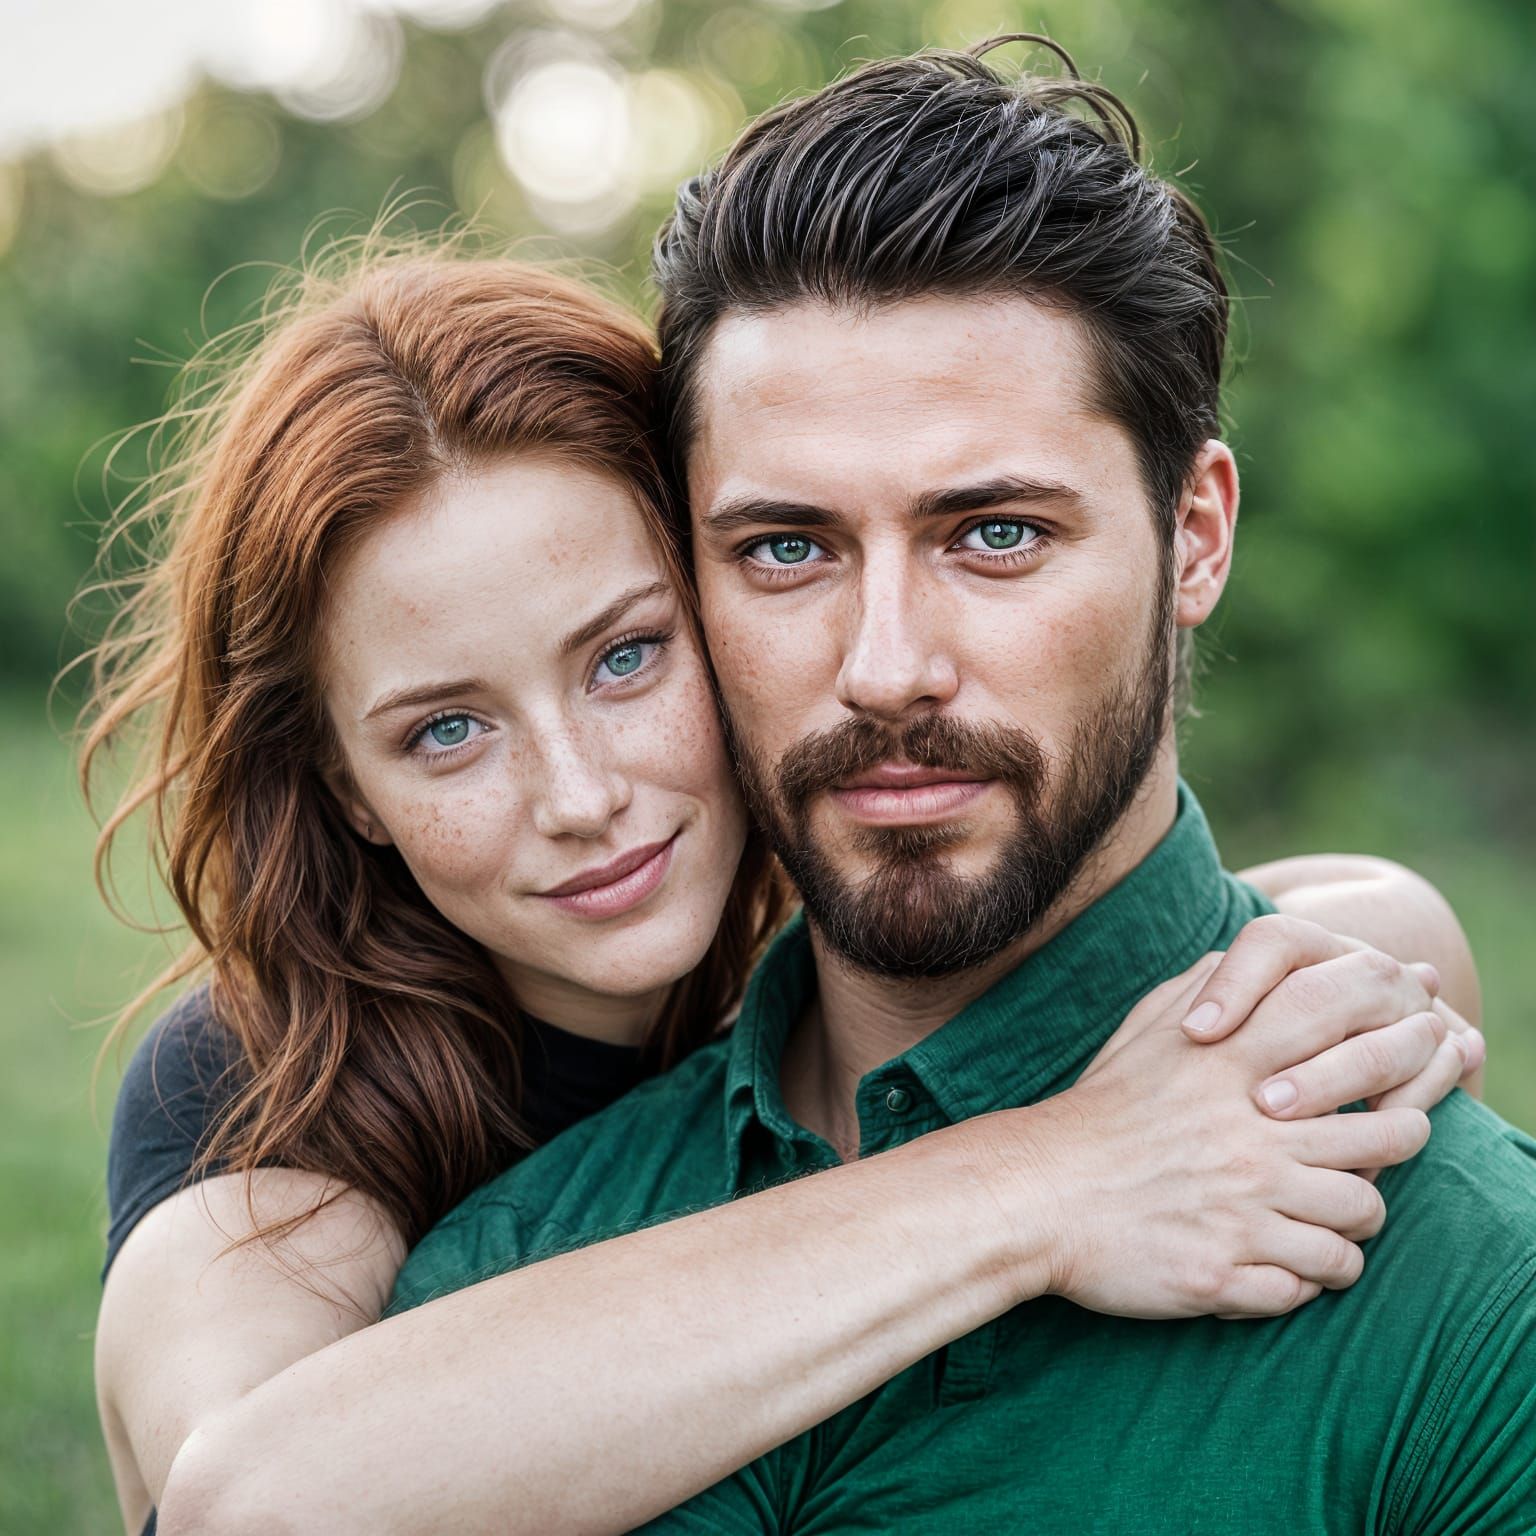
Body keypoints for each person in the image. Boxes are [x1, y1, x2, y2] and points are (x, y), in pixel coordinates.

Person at [262, 36, 1534, 1532]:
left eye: (993, 533)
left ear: (1193, 537)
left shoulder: (1471, 1297)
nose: (884, 668)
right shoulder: (502, 1273)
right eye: (786, 549)